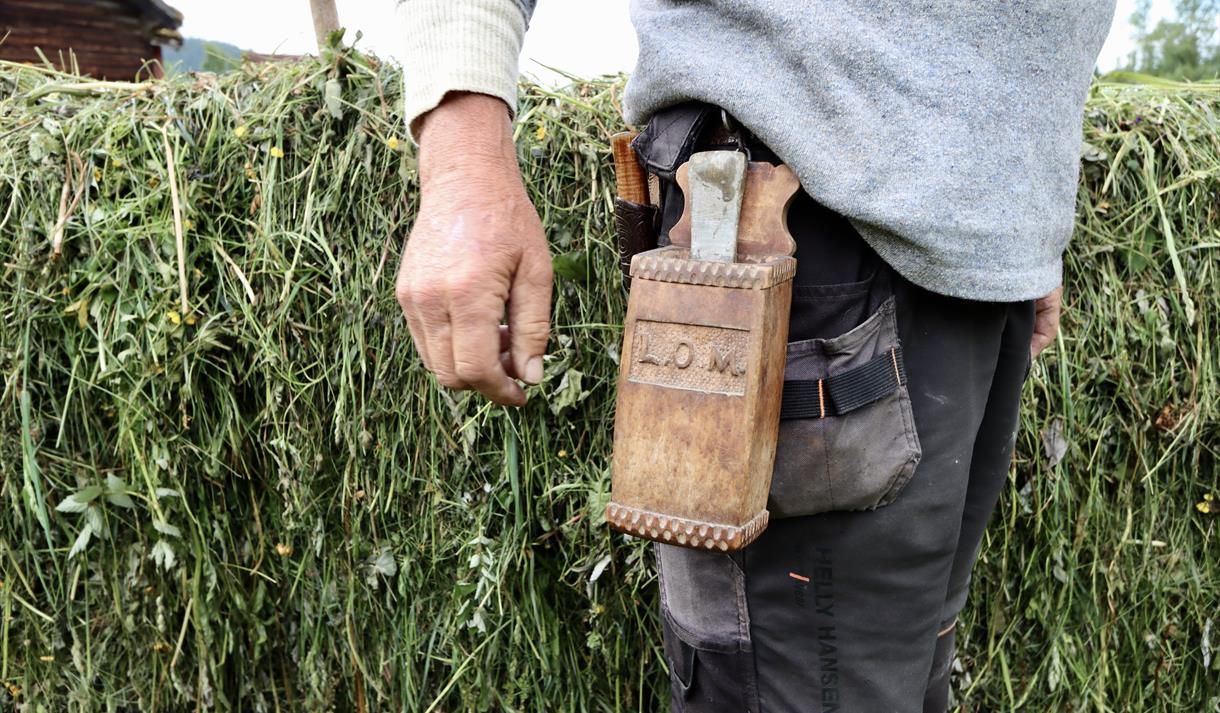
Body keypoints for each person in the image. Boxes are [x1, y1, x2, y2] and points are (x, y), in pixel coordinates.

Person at [393, 1, 1115, 710]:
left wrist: (1020, 224)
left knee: (909, 679)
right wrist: (463, 166)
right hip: (783, 228)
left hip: (982, 263)